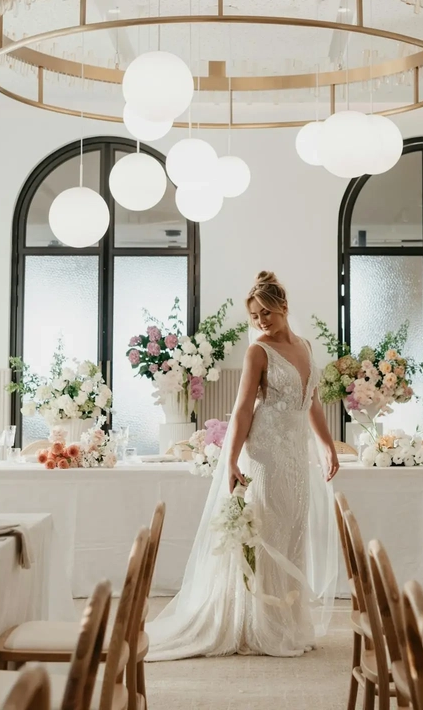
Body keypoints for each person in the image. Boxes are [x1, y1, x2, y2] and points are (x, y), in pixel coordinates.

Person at [145, 271, 340, 660]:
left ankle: (287, 621)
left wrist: (327, 446)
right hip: (265, 455)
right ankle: (260, 625)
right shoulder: (258, 352)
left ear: (283, 307)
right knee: (267, 533)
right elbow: (241, 410)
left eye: (266, 312)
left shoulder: (304, 346)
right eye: (254, 315)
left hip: (296, 458)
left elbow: (313, 402)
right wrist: (232, 459)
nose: (261, 321)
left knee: (293, 532)